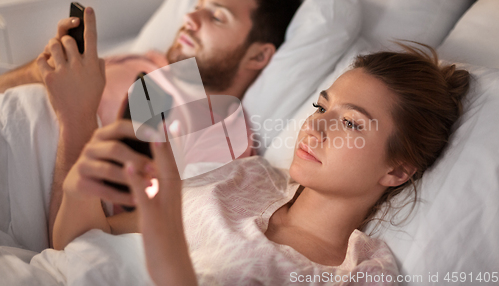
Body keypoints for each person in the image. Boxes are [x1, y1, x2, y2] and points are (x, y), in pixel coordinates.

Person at [51, 44, 470, 285]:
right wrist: (78, 188)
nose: (315, 125)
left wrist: (169, 255)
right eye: (320, 106)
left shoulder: (360, 274)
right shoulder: (243, 176)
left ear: (397, 171)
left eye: (348, 122)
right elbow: (83, 244)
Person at [0, 0, 301, 247]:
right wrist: (44, 71)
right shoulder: (147, 59)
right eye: (198, 5)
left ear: (259, 55)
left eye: (217, 17)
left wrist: (77, 115)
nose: (190, 18)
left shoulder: (221, 134)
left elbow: (86, 242)